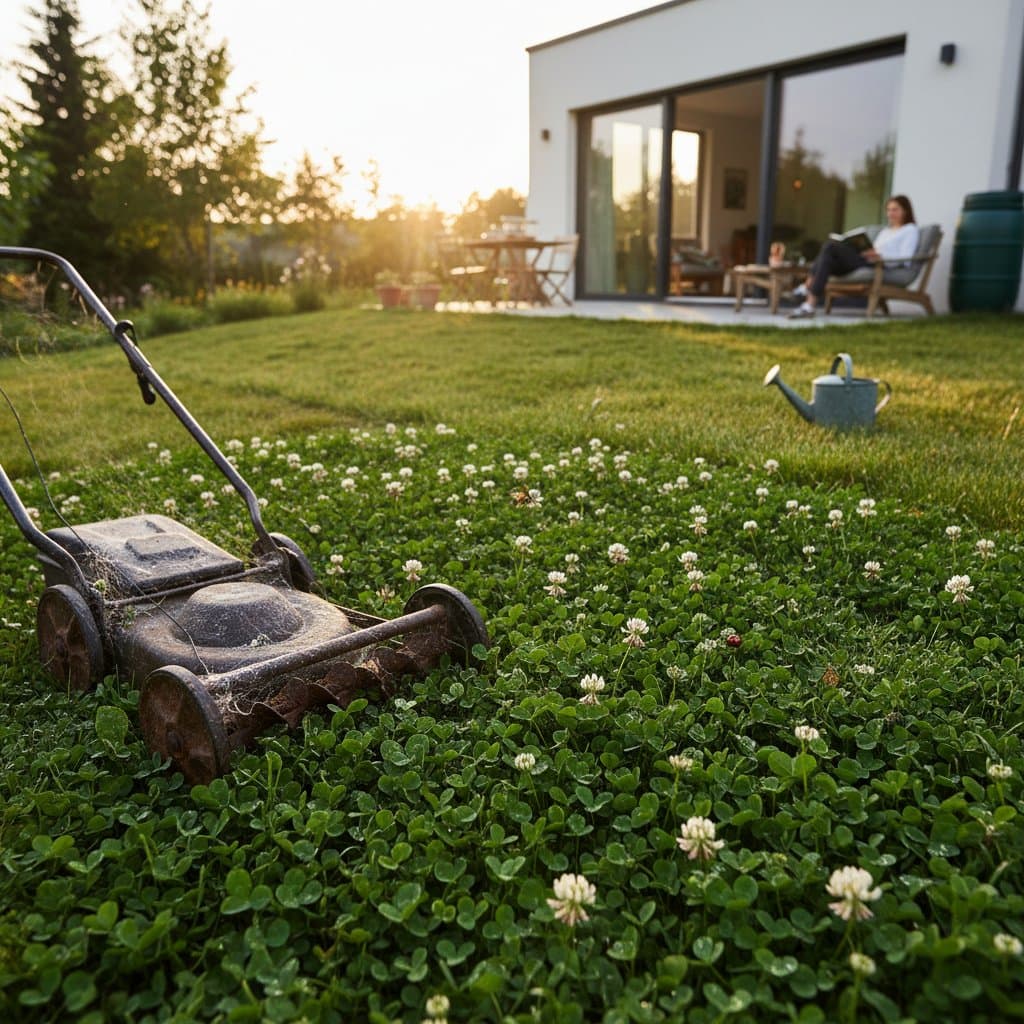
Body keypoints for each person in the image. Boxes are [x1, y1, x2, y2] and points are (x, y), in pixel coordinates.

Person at [787, 195, 920, 319]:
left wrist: (880, 255)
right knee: (827, 258)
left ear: (905, 211)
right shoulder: (885, 231)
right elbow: (874, 248)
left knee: (830, 246)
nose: (890, 214)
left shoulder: (910, 230)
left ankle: (807, 287)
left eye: (895, 210)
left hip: (879, 265)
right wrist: (866, 251)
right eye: (889, 210)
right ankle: (808, 306)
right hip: (864, 260)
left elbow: (906, 258)